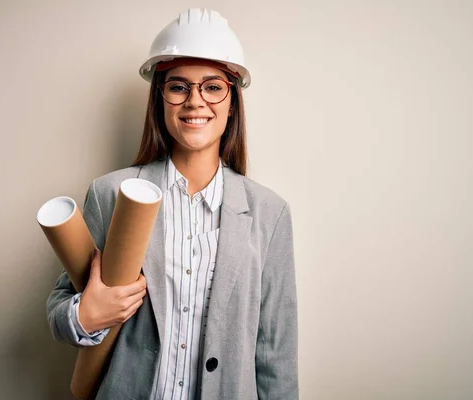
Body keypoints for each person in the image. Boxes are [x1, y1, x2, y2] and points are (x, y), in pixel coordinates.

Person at [46, 8, 298, 399]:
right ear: (160, 99)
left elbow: (275, 355)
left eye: (213, 87)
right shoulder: (111, 194)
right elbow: (60, 311)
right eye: (179, 87)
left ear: (232, 102)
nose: (195, 101)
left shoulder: (270, 213)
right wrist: (86, 315)